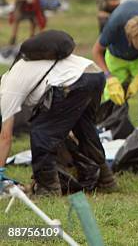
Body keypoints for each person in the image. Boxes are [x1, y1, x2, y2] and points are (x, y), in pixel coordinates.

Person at [0, 44, 116, 196]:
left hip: (74, 81)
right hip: (94, 74)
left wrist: (0, 171)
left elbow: (5, 137)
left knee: (41, 133)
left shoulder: (8, 90)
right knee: (84, 129)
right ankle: (106, 180)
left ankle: (48, 189)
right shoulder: (18, 72)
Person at [92, 0, 138, 124]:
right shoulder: (114, 25)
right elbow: (96, 51)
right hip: (117, 57)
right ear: (129, 39)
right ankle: (114, 127)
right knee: (113, 95)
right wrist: (109, 77)